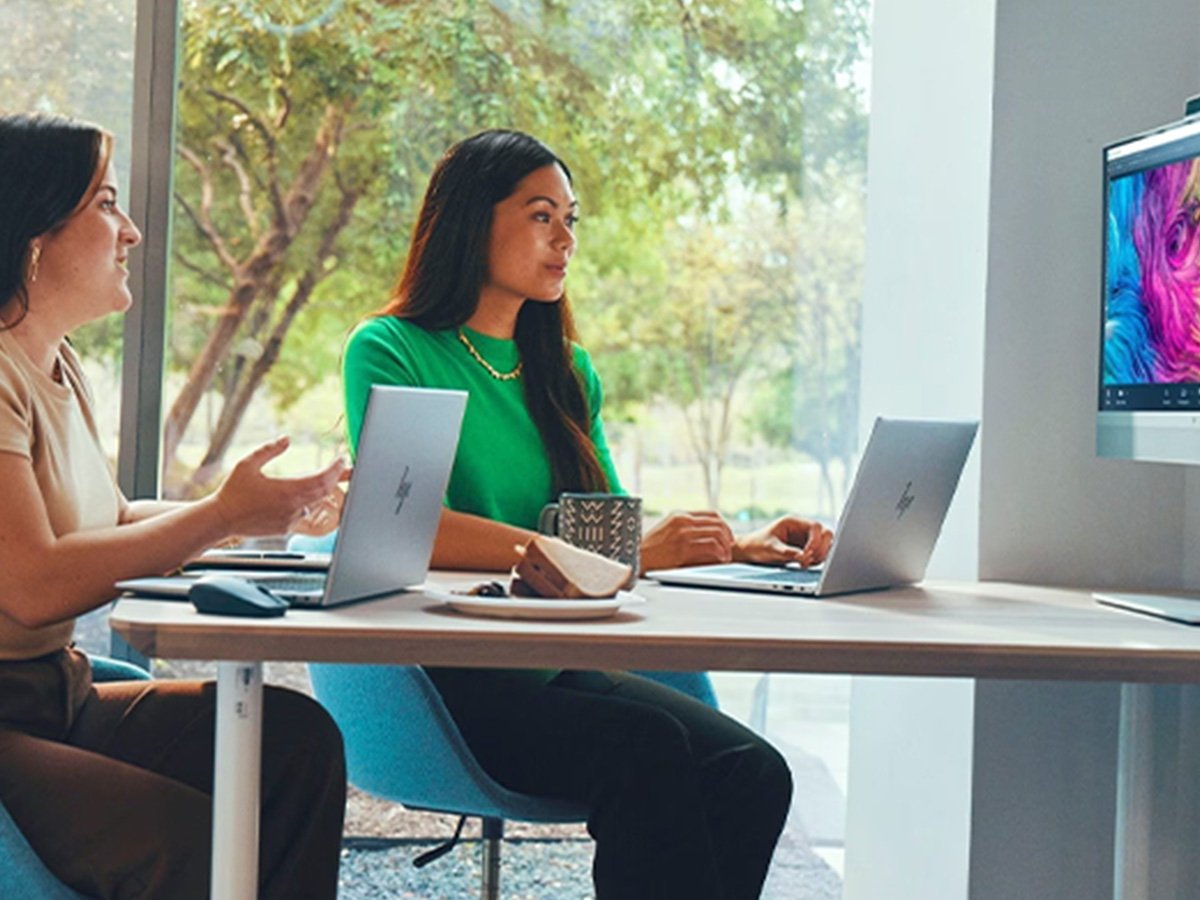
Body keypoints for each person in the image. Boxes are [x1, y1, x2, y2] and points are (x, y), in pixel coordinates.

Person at [342, 129, 834, 899]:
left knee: (754, 771)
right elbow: (417, 528)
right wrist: (630, 552)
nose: (565, 239)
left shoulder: (567, 371)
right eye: (543, 216)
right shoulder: (393, 348)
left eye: (572, 219)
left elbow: (601, 529)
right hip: (452, 678)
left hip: (556, 665)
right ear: (473, 219)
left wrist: (735, 542)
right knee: (647, 751)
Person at [0, 113, 348, 900]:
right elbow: (32, 586)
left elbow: (113, 523)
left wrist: (268, 515)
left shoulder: (57, 365)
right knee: (192, 845)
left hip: (62, 692)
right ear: (33, 235)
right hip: (8, 713)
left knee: (295, 744)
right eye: (106, 204)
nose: (130, 232)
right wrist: (220, 515)